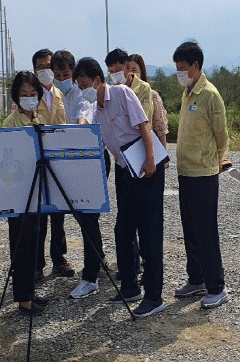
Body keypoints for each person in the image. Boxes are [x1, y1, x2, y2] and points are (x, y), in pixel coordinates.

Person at [73, 57, 166, 318]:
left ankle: (154, 297)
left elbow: (144, 125)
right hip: (127, 171)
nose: (83, 90)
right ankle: (130, 286)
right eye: (80, 86)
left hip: (147, 167)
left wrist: (150, 159)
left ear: (97, 80)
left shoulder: (122, 93)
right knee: (123, 230)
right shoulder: (97, 111)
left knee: (149, 234)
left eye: (85, 84)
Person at [173, 40, 230, 309]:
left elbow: (222, 135)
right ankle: (196, 279)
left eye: (182, 68)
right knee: (190, 230)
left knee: (206, 232)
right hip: (185, 172)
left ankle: (216, 286)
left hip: (204, 174)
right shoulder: (187, 92)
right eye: (177, 68)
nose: (179, 73)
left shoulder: (210, 95)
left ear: (196, 66)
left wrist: (219, 161)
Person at [50, 50, 110, 300]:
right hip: (72, 159)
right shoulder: (55, 95)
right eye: (57, 75)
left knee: (88, 217)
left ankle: (90, 278)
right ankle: (99, 257)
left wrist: (78, 131)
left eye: (66, 74)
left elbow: (84, 117)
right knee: (84, 216)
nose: (62, 79)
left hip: (90, 158)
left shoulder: (80, 93)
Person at [2, 71, 50, 315]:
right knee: (21, 246)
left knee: (35, 243)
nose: (29, 98)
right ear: (16, 97)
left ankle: (30, 291)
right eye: (24, 94)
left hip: (38, 191)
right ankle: (23, 299)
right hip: (19, 193)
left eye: (33, 94)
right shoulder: (10, 123)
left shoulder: (39, 119)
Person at [32, 48, 74, 279]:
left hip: (59, 162)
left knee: (58, 216)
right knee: (38, 217)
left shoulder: (62, 94)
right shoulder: (29, 96)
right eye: (40, 67)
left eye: (48, 66)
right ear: (34, 70)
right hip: (37, 163)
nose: (45, 71)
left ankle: (59, 260)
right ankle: (37, 264)